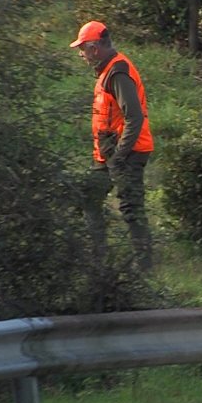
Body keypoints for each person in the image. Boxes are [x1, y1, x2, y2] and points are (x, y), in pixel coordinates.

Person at [70, 21, 154, 269]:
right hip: (109, 152)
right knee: (90, 199)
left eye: (83, 49)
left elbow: (134, 117)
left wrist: (120, 154)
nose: (81, 55)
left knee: (131, 208)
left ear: (95, 48)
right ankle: (99, 260)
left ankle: (144, 268)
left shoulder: (117, 72)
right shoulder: (109, 70)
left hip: (126, 152)